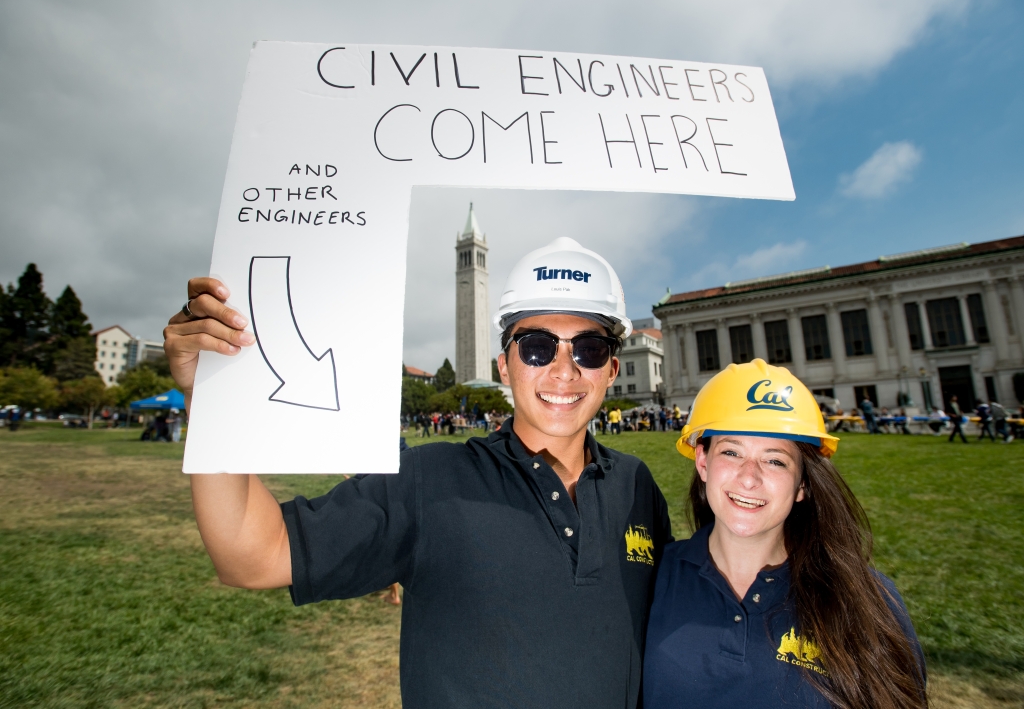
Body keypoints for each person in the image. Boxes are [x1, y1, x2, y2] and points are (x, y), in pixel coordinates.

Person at [164, 236, 671, 709]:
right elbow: (252, 556)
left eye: (589, 348)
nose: (564, 370)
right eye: (537, 346)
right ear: (504, 364)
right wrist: (208, 398)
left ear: (612, 368)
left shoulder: (637, 486)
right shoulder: (429, 480)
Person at [644, 360, 926, 709]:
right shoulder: (649, 578)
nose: (749, 477)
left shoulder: (868, 600)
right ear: (703, 462)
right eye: (731, 452)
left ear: (803, 482)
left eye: (775, 460)